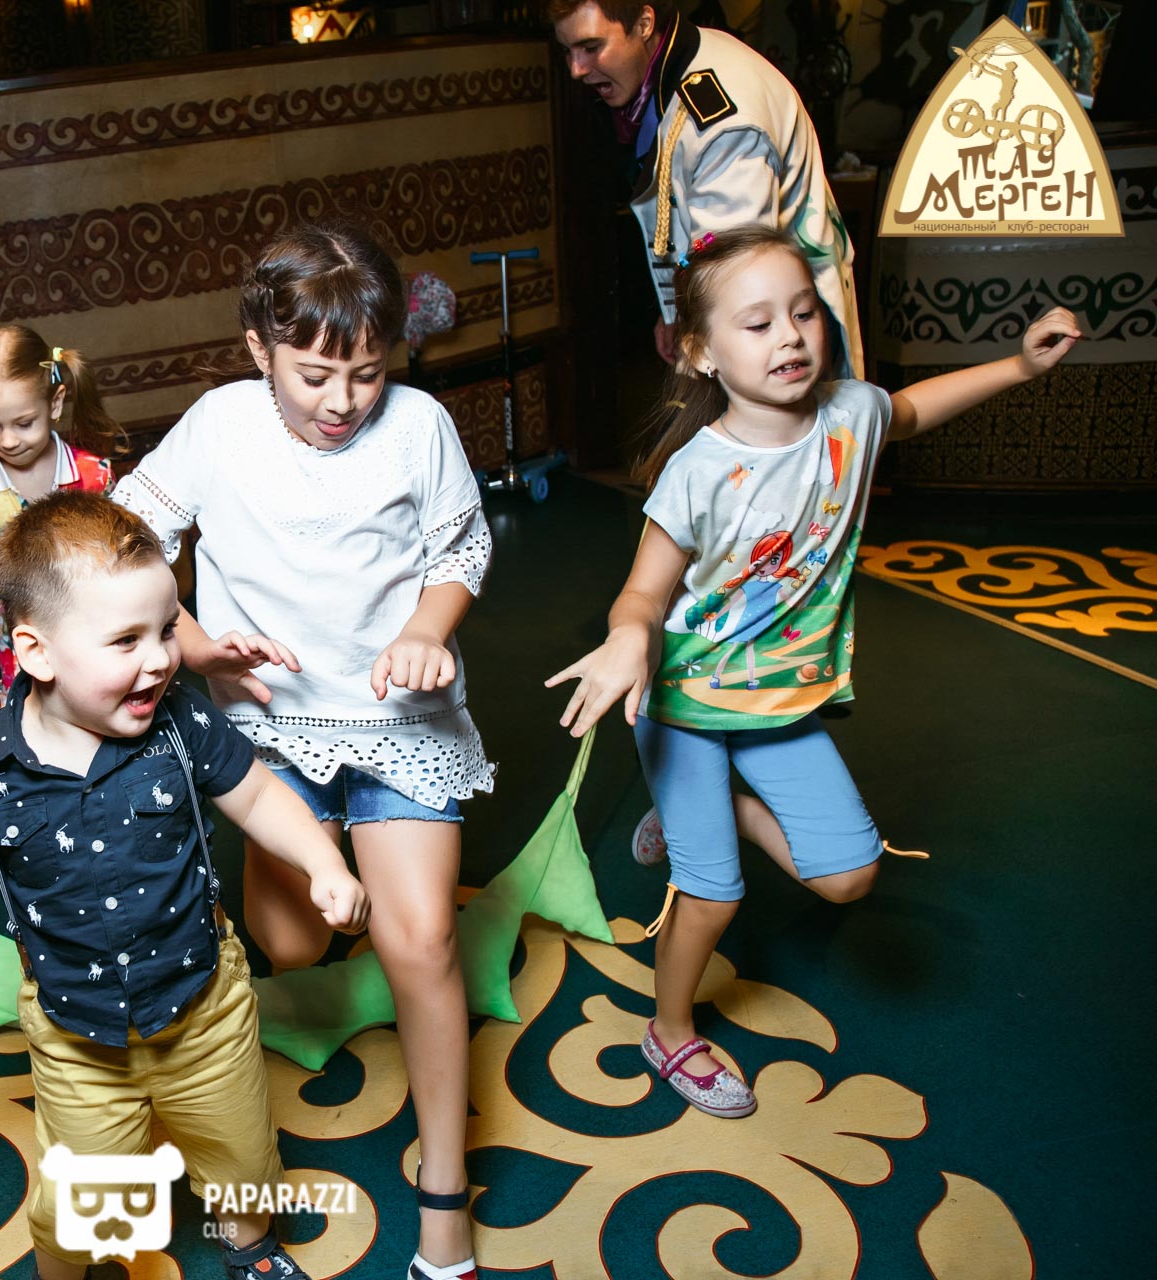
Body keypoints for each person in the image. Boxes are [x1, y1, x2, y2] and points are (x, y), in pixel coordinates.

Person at [546, 224, 1080, 1118]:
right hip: (681, 705)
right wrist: (629, 637)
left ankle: (710, 817)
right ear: (700, 352)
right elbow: (640, 594)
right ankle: (669, 1031)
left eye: (804, 313)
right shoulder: (697, 473)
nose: (790, 336)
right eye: (757, 324)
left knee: (848, 876)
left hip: (779, 706)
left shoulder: (851, 416)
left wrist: (1020, 366)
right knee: (713, 895)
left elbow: (912, 409)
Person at [111, 222, 492, 1280]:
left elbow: (461, 545)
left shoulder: (418, 426)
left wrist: (429, 629)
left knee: (422, 942)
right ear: (258, 347)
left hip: (400, 723)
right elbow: (130, 540)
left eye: (366, 373)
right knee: (288, 944)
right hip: (273, 722)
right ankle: (327, 885)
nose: (343, 400)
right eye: (315, 375)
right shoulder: (220, 424)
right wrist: (195, 648)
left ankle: (446, 1200)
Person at [0, 491, 368, 1280]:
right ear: (36, 653)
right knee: (85, 1198)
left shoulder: (181, 722)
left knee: (243, 1158)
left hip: (205, 1010)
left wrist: (324, 862)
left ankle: (250, 1248)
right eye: (125, 640)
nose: (161, 659)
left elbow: (256, 795)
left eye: (167, 628)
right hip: (78, 1039)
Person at [550, 1, 863, 377]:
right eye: (567, 50)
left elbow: (733, 269)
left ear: (644, 24)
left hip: (777, 336)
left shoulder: (722, 122)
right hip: (752, 320)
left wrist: (690, 345)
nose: (576, 69)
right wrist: (674, 311)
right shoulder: (683, 63)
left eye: (591, 47)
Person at [0, 325, 123, 710]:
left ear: (55, 404)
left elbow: (124, 569)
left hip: (100, 667)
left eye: (24, 423)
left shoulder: (95, 476)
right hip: (22, 678)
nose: (8, 440)